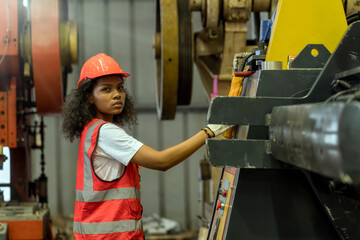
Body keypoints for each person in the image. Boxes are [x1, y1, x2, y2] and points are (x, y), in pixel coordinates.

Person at [62, 53, 231, 239]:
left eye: (120, 88)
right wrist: (209, 132)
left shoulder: (91, 130)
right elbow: (162, 161)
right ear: (89, 97)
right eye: (106, 90)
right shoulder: (107, 133)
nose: (117, 95)